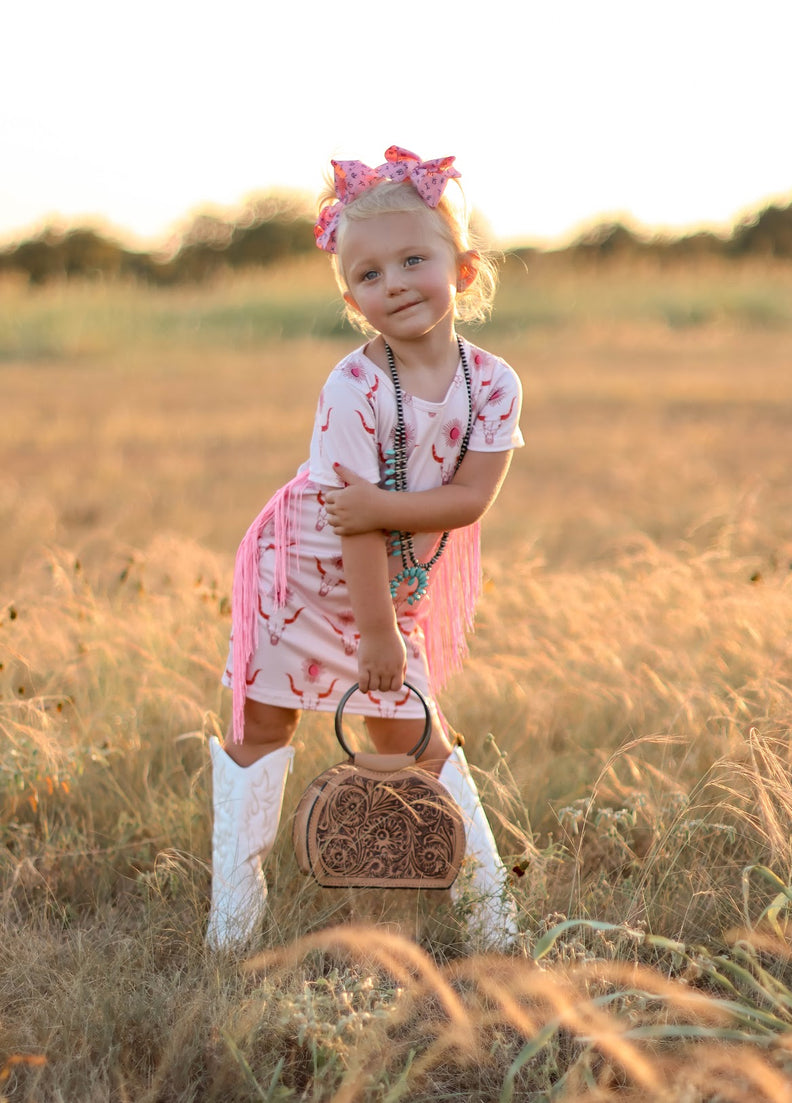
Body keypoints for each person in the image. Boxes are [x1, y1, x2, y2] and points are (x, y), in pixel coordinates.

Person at [208, 145, 524, 952]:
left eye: (414, 258)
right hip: (305, 571)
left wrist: (386, 598)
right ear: (353, 298)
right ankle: (233, 922)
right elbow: (345, 522)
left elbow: (471, 498)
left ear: (463, 266)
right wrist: (375, 629)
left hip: (393, 577)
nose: (396, 284)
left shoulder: (492, 383)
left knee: (410, 733)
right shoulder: (351, 386)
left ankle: (494, 914)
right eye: (371, 274)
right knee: (262, 721)